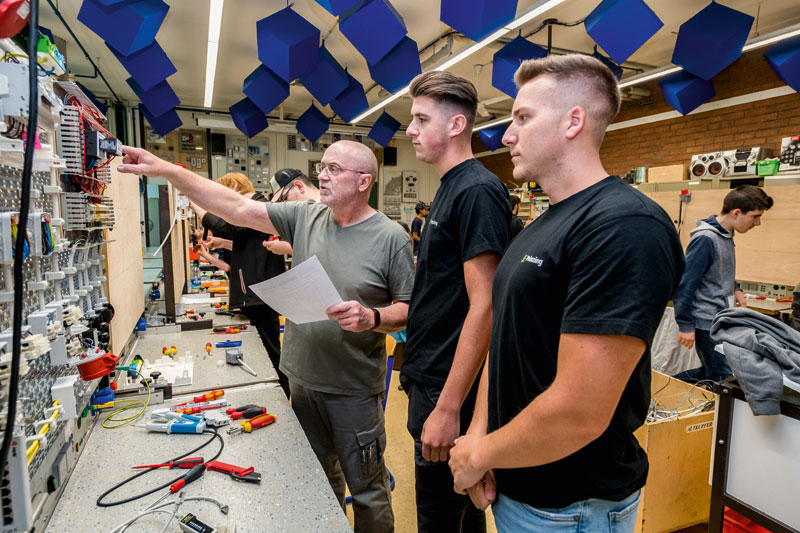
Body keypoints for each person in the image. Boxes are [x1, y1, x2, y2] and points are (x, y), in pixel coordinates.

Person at [118, 140, 414, 533]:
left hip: (353, 388)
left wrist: (371, 316)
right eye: (321, 167)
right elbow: (237, 208)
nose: (321, 175)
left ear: (364, 180)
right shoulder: (306, 216)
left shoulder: (391, 237)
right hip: (302, 380)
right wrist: (171, 172)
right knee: (319, 483)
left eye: (334, 169)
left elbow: (408, 310)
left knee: (368, 492)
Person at [448, 55, 684, 533]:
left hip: (571, 506)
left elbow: (581, 411)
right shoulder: (546, 222)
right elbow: (507, 343)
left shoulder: (623, 226)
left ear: (574, 121)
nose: (506, 136)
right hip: (521, 486)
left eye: (522, 117)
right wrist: (478, 436)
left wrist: (481, 454)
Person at [401, 70, 510, 532]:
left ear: (456, 125)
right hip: (429, 377)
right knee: (458, 515)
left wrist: (448, 408)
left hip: (448, 387)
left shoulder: (477, 191)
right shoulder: (448, 188)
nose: (410, 130)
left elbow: (484, 306)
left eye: (422, 119)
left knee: (442, 518)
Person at [189, 173, 289, 397]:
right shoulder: (255, 209)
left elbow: (226, 226)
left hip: (261, 295)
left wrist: (196, 203)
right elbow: (247, 244)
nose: (222, 206)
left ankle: (282, 399)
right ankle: (274, 396)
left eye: (222, 198)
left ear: (234, 187)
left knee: (271, 352)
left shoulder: (258, 206)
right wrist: (222, 243)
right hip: (257, 294)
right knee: (264, 351)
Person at [673, 185, 774, 383]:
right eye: (755, 216)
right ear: (737, 213)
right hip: (706, 323)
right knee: (723, 379)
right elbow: (685, 285)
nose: (758, 223)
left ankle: (660, 390)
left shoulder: (726, 235)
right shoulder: (705, 238)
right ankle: (658, 394)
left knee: (710, 373)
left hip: (720, 319)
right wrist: (685, 325)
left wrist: (736, 289)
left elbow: (719, 269)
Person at [263, 168, 320, 256]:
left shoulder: (327, 208)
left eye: (284, 199)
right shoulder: (306, 214)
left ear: (299, 186)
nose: (284, 206)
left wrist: (287, 248)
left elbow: (325, 252)